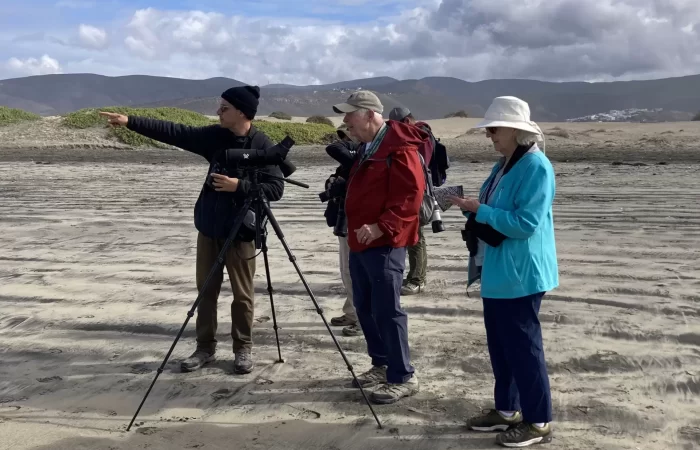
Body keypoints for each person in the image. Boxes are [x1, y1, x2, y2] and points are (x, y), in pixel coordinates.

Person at [99, 85, 284, 375]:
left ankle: (242, 349)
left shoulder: (263, 144)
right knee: (205, 292)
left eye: (224, 108)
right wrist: (130, 121)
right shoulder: (215, 137)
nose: (218, 112)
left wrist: (240, 186)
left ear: (241, 112)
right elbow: (174, 131)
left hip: (241, 234)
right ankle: (204, 349)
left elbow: (276, 188)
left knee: (242, 295)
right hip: (209, 229)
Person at [447, 96, 558, 447]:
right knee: (501, 346)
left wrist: (481, 210)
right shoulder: (505, 163)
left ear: (515, 130)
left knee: (524, 348)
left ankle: (538, 421)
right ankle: (507, 410)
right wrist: (471, 209)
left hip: (520, 274)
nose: (489, 135)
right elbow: (495, 211)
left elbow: (526, 224)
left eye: (494, 129)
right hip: (497, 270)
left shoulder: (535, 166)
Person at [332, 90, 427, 404]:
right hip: (361, 239)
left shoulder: (398, 148)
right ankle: (381, 363)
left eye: (350, 114)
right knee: (364, 304)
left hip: (384, 242)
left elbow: (410, 197)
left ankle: (402, 376)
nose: (345, 121)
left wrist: (381, 226)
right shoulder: (367, 146)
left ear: (370, 114)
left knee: (387, 309)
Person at [388, 107, 434, 296]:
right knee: (414, 237)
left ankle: (418, 279)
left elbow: (417, 168)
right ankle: (416, 276)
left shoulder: (419, 136)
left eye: (397, 125)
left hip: (417, 195)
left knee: (416, 237)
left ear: (406, 122)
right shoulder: (421, 135)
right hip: (415, 193)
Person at [326, 124, 363, 337]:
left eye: (348, 135)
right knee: (346, 270)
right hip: (345, 219)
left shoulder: (361, 160)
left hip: (356, 222)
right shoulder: (352, 162)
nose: (345, 140)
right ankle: (352, 312)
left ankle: (361, 317)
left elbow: (333, 148)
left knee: (353, 272)